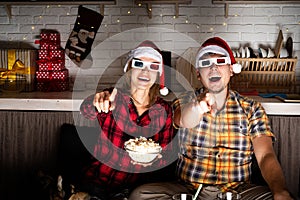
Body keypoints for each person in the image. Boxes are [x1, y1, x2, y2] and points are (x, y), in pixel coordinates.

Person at [128, 37, 293, 200]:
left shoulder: (252, 109)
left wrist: (280, 190)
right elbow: (183, 119)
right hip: (188, 190)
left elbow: (265, 156)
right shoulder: (184, 100)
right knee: (140, 195)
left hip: (237, 192)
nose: (213, 68)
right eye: (206, 64)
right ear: (199, 75)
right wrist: (197, 107)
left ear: (231, 69)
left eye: (220, 61)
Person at [78, 40, 176, 200]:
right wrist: (96, 101)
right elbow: (86, 111)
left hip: (130, 190)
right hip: (95, 183)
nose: (145, 72)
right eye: (139, 64)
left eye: (153, 66)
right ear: (129, 70)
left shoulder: (164, 111)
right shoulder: (114, 97)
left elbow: (166, 154)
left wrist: (154, 161)